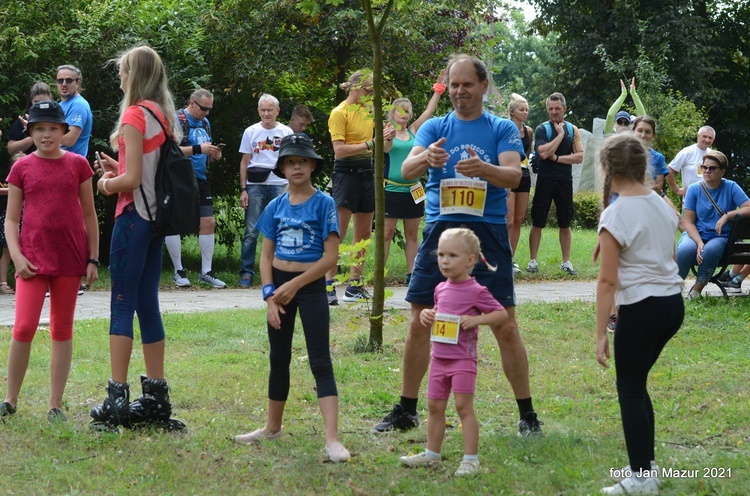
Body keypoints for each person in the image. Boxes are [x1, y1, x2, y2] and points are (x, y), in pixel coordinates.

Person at [374, 54, 542, 437]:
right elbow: (404, 170)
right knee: (420, 322)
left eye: (467, 84)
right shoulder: (435, 125)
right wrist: (427, 157)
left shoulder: (501, 128)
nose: (460, 92)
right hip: (441, 234)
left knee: (506, 327)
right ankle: (406, 409)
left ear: (484, 86)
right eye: (454, 85)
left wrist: (483, 170)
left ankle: (527, 415)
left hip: (487, 237)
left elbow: (514, 176)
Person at [233, 133, 350, 463]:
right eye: (290, 162)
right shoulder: (275, 205)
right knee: (278, 358)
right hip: (279, 290)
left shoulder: (324, 203)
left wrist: (296, 285)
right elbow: (265, 257)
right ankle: (272, 427)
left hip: (309, 287)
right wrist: (270, 296)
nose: (296, 167)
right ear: (282, 168)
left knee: (320, 361)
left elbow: (330, 258)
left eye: (302, 161)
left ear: (312, 165)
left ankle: (332, 439)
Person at [90, 45, 184, 430]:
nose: (119, 77)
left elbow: (130, 182)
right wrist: (122, 167)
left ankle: (116, 398)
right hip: (156, 222)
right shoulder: (161, 115)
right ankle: (156, 399)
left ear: (136, 75)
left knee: (121, 303)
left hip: (132, 218)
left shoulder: (133, 113)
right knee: (148, 303)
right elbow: (147, 170)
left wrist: (105, 182)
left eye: (123, 71)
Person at [595, 133, 685, 495]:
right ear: (643, 165)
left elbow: (606, 282)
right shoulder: (661, 203)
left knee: (630, 389)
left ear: (605, 167)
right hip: (670, 307)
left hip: (643, 309)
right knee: (637, 385)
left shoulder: (617, 212)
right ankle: (647, 469)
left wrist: (601, 332)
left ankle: (641, 479)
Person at [0, 100, 99, 420]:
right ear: (30, 132)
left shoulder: (78, 165)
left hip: (70, 260)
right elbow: (11, 220)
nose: (46, 135)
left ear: (63, 131)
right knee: (24, 326)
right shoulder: (21, 168)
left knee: (61, 328)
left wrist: (93, 259)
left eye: (53, 129)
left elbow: (89, 215)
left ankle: (55, 404)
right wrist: (16, 255)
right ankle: (10, 400)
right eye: (39, 129)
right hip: (30, 260)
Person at [399, 228, 507, 476]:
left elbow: (501, 314)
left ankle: (471, 459)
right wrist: (428, 314)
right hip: (438, 359)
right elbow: (439, 312)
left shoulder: (476, 290)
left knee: (463, 407)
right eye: (441, 255)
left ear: (470, 260)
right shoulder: (439, 288)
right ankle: (431, 454)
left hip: (462, 360)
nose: (445, 261)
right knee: (435, 407)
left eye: (452, 256)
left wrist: (476, 321)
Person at [325, 70, 395, 305]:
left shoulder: (369, 113)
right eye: (368, 91)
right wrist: (370, 143)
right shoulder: (339, 112)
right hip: (346, 173)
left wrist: (389, 137)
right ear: (355, 88)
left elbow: (383, 149)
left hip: (368, 173)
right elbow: (339, 150)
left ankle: (354, 286)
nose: (371, 96)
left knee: (364, 234)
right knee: (339, 232)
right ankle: (328, 284)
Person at [384, 72, 445, 283]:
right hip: (391, 189)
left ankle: (412, 274)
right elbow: (385, 149)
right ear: (392, 113)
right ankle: (379, 275)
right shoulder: (386, 131)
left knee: (412, 234)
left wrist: (439, 88)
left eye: (408, 111)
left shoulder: (413, 131)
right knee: (386, 234)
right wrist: (387, 138)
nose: (405, 114)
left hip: (413, 189)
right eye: (401, 110)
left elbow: (430, 111)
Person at [164, 89, 226, 289]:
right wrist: (200, 149)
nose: (206, 113)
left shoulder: (205, 123)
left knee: (208, 221)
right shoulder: (177, 119)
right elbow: (170, 151)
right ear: (192, 103)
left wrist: (213, 155)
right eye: (203, 108)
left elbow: (204, 154)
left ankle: (206, 272)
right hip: (178, 178)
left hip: (200, 178)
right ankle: (178, 271)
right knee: (174, 223)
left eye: (209, 109)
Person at [675, 150, 750, 299]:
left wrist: (728, 215)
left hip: (719, 236)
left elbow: (748, 206)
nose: (707, 171)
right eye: (704, 167)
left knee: (710, 250)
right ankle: (673, 289)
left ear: (722, 171)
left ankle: (696, 290)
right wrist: (699, 242)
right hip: (695, 234)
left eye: (712, 168)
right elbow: (688, 222)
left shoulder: (731, 187)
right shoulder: (694, 189)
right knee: (685, 249)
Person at [238, 94, 294, 287]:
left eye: (270, 109)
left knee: (280, 229)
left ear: (277, 111)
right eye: (263, 109)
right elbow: (244, 163)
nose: (266, 113)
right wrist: (243, 189)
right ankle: (246, 272)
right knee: (251, 230)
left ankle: (279, 271)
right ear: (258, 111)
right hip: (256, 185)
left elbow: (291, 160)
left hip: (279, 184)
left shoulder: (286, 132)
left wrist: (291, 186)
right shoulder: (250, 132)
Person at [526, 92, 584, 276]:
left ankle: (566, 262)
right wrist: (559, 135)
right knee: (538, 220)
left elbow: (580, 156)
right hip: (545, 178)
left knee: (565, 221)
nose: (553, 112)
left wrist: (558, 157)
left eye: (557, 108)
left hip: (565, 180)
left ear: (564, 109)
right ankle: (533, 260)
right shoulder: (542, 129)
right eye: (550, 108)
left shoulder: (573, 130)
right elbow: (543, 153)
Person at [505, 93, 533, 273]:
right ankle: (502, 257)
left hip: (524, 175)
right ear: (512, 111)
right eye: (521, 110)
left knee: (517, 220)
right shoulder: (505, 128)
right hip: (508, 174)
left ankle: (511, 259)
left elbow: (527, 154)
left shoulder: (528, 131)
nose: (524, 112)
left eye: (526, 110)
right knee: (507, 220)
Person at [666, 126, 716, 198]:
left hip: (710, 200)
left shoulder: (713, 155)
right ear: (698, 136)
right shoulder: (687, 152)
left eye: (710, 138)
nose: (707, 140)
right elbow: (669, 170)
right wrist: (676, 190)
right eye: (704, 136)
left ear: (713, 140)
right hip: (690, 201)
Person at [6, 82, 54, 156]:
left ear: (50, 100)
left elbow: (66, 142)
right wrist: (32, 134)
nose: (40, 105)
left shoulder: (57, 119)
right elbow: (11, 149)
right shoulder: (23, 120)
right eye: (36, 102)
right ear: (31, 101)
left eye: (44, 102)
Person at [56, 64, 93, 157]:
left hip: (71, 166)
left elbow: (69, 140)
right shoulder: (59, 105)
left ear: (78, 83)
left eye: (68, 80)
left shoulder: (78, 105)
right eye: (60, 81)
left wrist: (40, 135)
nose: (64, 84)